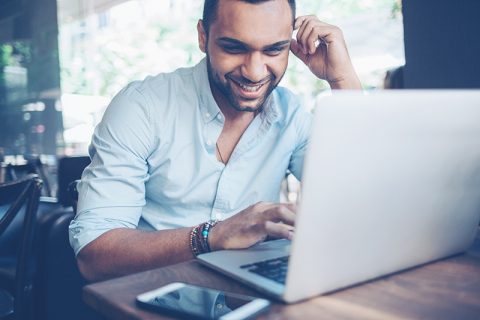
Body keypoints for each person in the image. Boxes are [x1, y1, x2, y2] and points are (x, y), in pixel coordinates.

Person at [69, 0, 362, 281]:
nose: (254, 71)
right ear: (203, 36)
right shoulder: (142, 107)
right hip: (150, 300)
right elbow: (94, 256)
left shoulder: (291, 116)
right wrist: (212, 236)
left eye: (274, 50)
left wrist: (343, 80)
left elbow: (357, 201)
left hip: (250, 300)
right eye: (234, 48)